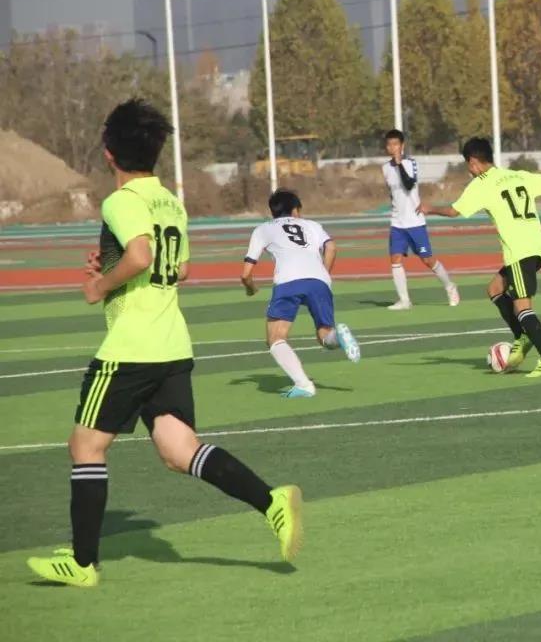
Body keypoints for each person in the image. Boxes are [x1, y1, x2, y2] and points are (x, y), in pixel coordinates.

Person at [27, 99, 302, 588]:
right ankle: (271, 501)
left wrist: (100, 285)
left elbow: (140, 255)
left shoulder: (120, 201)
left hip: (131, 348)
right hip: (172, 345)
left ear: (108, 153)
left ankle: (83, 563)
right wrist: (114, 264)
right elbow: (180, 268)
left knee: (85, 445)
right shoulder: (170, 202)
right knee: (179, 450)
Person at [420, 138, 541, 377]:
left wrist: (429, 208)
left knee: (522, 306)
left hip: (520, 250)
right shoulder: (516, 175)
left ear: (474, 162)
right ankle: (522, 336)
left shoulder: (482, 184)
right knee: (495, 289)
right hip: (537, 245)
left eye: (468, 165)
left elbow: (454, 211)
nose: (469, 170)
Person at [241, 189, 361, 398]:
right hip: (320, 281)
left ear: (273, 211)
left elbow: (246, 274)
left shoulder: (263, 229)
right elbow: (331, 248)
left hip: (288, 281)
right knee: (324, 335)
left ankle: (304, 384)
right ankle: (338, 337)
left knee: (275, 338)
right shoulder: (313, 225)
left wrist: (251, 289)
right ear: (296, 210)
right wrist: (323, 275)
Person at [382, 129, 459, 310]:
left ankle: (450, 286)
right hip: (397, 222)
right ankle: (404, 300)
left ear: (402, 146)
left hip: (415, 222)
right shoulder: (385, 168)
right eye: (389, 144)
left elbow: (409, 184)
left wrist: (399, 165)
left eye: (395, 144)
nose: (392, 147)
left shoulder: (410, 163)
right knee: (395, 258)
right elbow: (393, 193)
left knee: (427, 260)